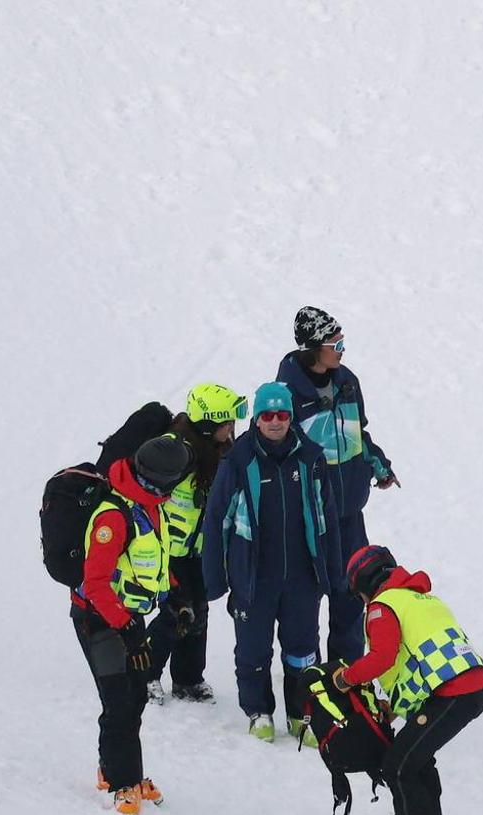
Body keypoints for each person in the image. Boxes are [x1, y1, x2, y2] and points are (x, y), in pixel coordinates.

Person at [314, 545, 483, 815]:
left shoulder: (384, 607)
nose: (362, 602)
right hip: (468, 688)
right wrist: (393, 708)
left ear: (364, 584)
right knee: (417, 758)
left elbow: (383, 658)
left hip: (453, 693)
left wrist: (344, 678)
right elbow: (420, 662)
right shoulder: (421, 599)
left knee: (398, 765)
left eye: (358, 594)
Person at [202, 383, 344, 744]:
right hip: (253, 577)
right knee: (253, 650)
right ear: (257, 419)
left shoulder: (311, 458)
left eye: (282, 415)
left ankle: (303, 714)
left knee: (303, 649)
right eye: (268, 415)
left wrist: (333, 569)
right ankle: (258, 711)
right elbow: (217, 520)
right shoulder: (238, 461)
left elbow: (326, 516)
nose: (276, 422)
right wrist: (215, 578)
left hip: (301, 575)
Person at [73, 436, 191, 815]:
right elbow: (95, 583)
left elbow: (152, 560)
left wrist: (175, 598)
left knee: (136, 695)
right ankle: (123, 783)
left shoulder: (150, 506)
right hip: (99, 618)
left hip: (127, 616)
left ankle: (118, 771)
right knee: (119, 700)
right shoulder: (113, 516)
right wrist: (127, 629)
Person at [275, 306, 395, 663]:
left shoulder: (347, 381)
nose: (342, 350)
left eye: (343, 342)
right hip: (309, 520)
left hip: (349, 516)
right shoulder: (284, 395)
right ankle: (308, 681)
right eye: (335, 343)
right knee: (306, 601)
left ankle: (347, 674)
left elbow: (358, 434)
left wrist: (377, 464)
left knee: (353, 594)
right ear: (313, 346)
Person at [141, 383, 247, 706]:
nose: (231, 429)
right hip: (168, 550)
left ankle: (188, 678)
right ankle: (144, 673)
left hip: (198, 549)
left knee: (199, 609)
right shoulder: (177, 451)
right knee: (177, 611)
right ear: (209, 423)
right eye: (226, 422)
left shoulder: (218, 452)